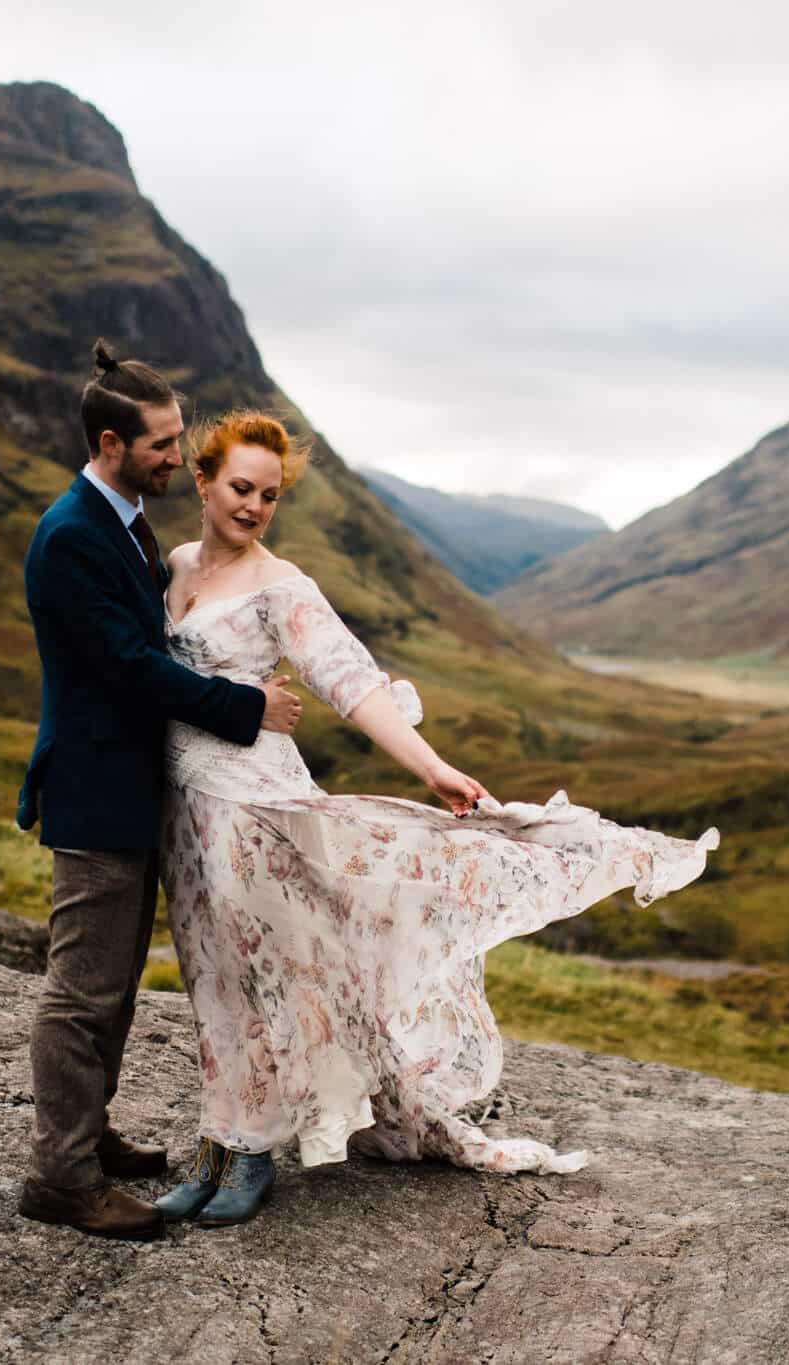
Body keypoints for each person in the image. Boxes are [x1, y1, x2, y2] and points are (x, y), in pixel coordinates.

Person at [151, 410, 719, 1227]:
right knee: (205, 966)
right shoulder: (172, 566)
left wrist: (433, 767)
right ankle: (217, 1137)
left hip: (253, 807)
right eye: (241, 488)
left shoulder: (282, 585)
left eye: (270, 496)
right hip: (185, 809)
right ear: (203, 483)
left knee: (265, 972)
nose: (254, 507)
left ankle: (252, 1152)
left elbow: (352, 682)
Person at [13, 343, 304, 1241]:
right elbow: (134, 669)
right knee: (81, 992)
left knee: (117, 987)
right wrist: (247, 706)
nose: (180, 456)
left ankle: (89, 1137)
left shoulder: (128, 519)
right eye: (165, 443)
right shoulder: (72, 537)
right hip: (96, 793)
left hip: (134, 793)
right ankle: (60, 1176)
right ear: (112, 441)